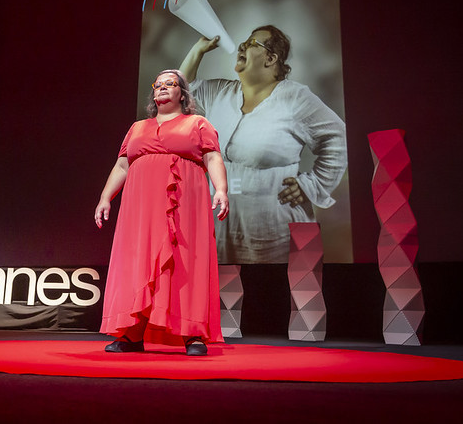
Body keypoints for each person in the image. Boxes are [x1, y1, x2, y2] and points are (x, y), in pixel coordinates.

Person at [179, 25, 347, 264]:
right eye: (244, 42)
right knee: (226, 295)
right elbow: (180, 92)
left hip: (274, 232)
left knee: (273, 292)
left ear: (271, 58)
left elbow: (336, 137)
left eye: (252, 43)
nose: (242, 46)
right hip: (222, 229)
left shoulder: (295, 98)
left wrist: (312, 185)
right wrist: (198, 50)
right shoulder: (221, 92)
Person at [94, 70, 229, 356]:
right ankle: (131, 332)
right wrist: (106, 197)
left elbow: (212, 156)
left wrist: (221, 189)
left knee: (183, 261)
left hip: (183, 203)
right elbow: (121, 166)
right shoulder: (137, 128)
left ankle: (192, 334)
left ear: (183, 93)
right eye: (159, 84)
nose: (163, 87)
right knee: (138, 260)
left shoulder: (197, 123)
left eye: (171, 84)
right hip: (140, 208)